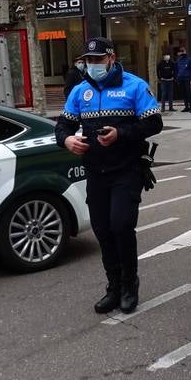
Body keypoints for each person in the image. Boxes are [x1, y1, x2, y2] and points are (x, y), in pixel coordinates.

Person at [56, 37, 163, 314]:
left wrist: (121, 134)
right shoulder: (80, 91)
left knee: (121, 225)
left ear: (111, 58)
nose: (93, 65)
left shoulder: (134, 85)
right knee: (103, 231)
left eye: (98, 59)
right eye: (89, 60)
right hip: (96, 172)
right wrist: (67, 141)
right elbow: (63, 127)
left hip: (127, 169)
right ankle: (113, 287)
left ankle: (130, 285)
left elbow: (154, 122)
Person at [174, 47, 191, 112]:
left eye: (183, 51)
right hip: (181, 79)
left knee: (189, 93)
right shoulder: (179, 60)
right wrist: (177, 77)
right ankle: (186, 107)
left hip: (188, 79)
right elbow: (177, 70)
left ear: (185, 51)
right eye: (181, 51)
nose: (182, 52)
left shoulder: (189, 60)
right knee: (184, 94)